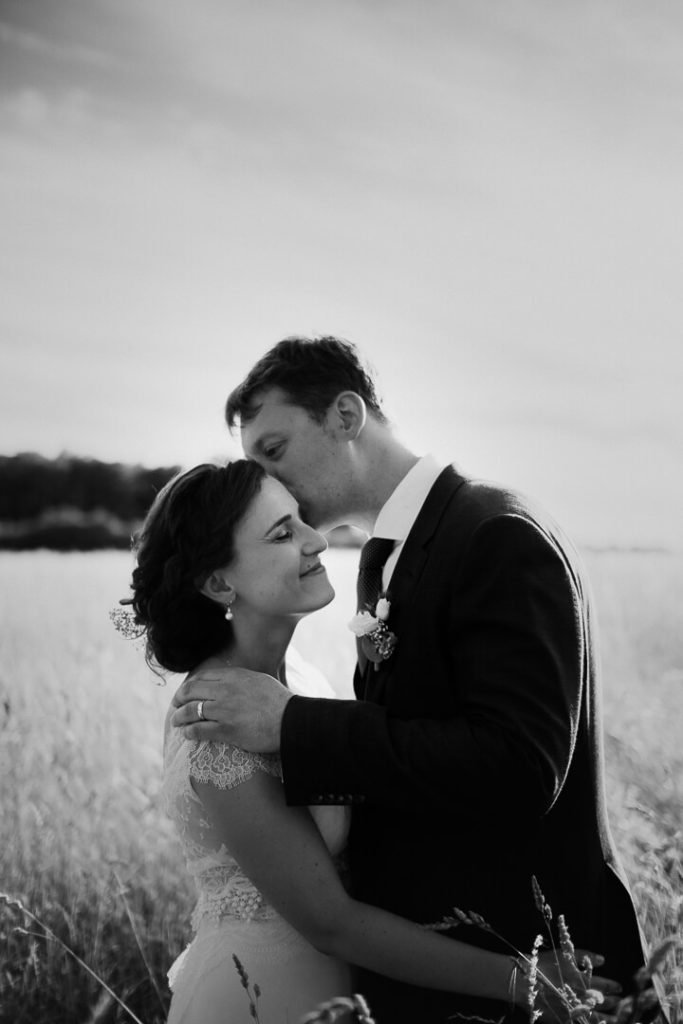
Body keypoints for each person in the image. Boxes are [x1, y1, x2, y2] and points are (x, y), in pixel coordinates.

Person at [171, 336, 649, 1024]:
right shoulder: (379, 561)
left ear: (344, 415)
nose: (268, 482)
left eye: (272, 452)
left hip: (543, 953)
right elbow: (405, 756)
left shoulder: (494, 535)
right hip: (440, 970)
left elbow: (519, 765)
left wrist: (291, 726)